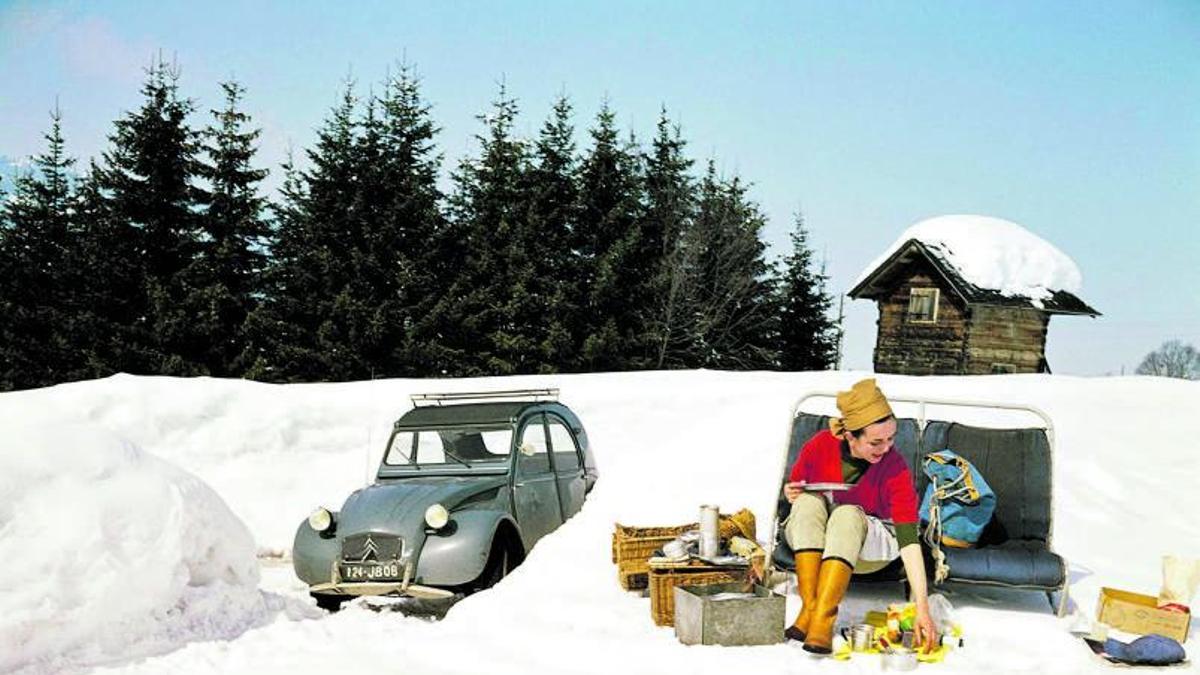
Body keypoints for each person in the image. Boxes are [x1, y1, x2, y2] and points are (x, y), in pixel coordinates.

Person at [781, 378, 937, 654]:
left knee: (846, 514)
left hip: (869, 552)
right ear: (850, 435)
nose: (886, 447)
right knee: (807, 503)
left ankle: (823, 619)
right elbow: (797, 488)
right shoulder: (820, 446)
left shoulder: (894, 467)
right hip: (819, 542)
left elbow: (908, 540)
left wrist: (922, 608)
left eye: (891, 438)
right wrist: (792, 491)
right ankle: (811, 609)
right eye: (876, 441)